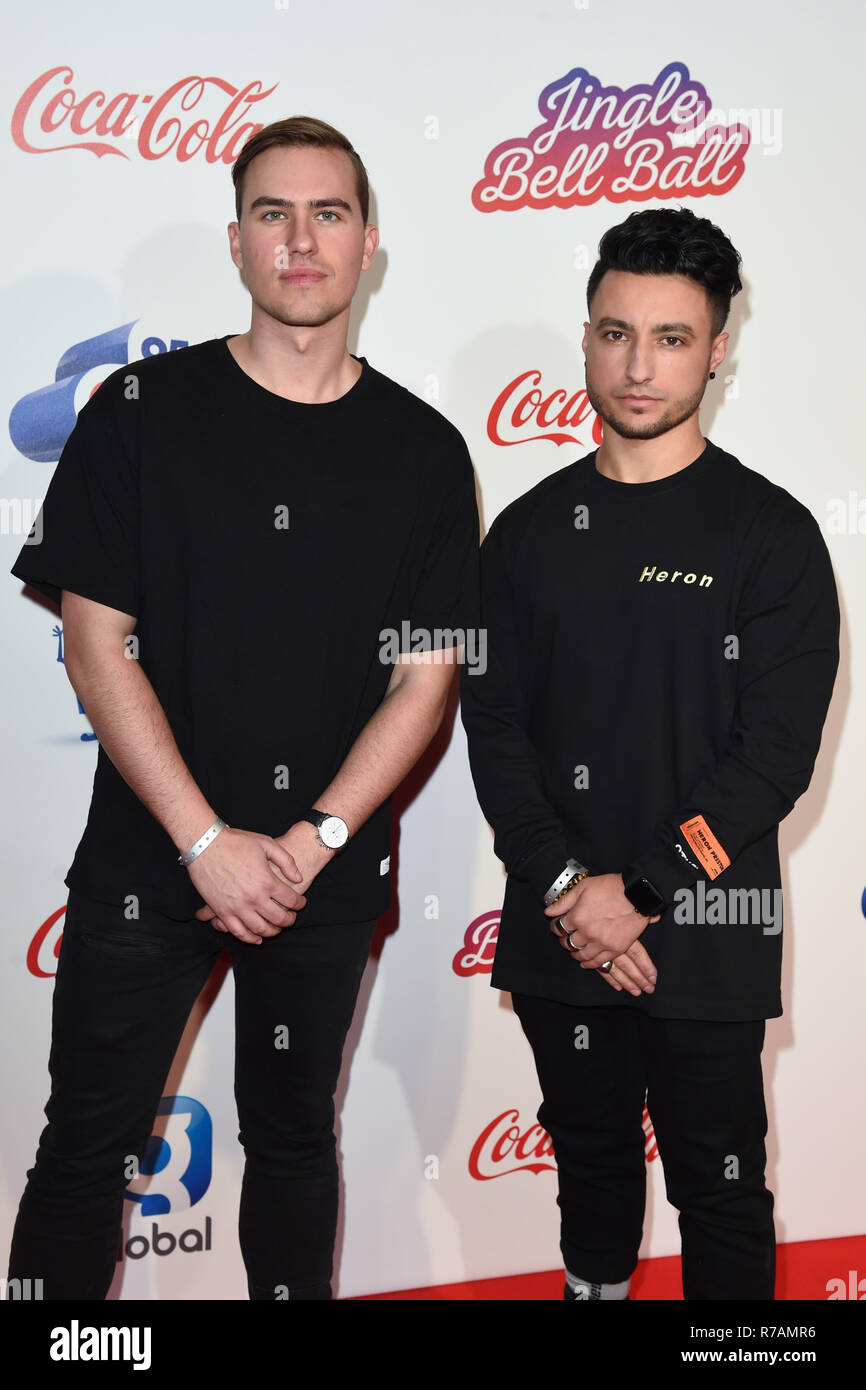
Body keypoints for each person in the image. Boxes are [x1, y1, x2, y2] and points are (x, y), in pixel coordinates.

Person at [8, 115, 479, 1301]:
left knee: (292, 1140)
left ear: (368, 243)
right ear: (235, 242)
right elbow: (92, 638)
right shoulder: (138, 409)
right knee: (83, 1154)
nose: (301, 239)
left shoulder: (423, 453)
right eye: (273, 213)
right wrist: (207, 842)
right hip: (152, 854)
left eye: (327, 213)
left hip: (320, 868)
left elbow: (424, 678)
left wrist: (311, 842)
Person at [459, 207, 839, 1302]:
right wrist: (575, 889)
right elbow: (494, 728)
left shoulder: (767, 534)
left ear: (716, 349)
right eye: (614, 331)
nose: (637, 363)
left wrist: (645, 892)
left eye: (671, 337)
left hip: (706, 930)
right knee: (588, 1172)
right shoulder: (526, 535)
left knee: (720, 1191)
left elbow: (771, 756)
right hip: (560, 927)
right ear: (582, 339)